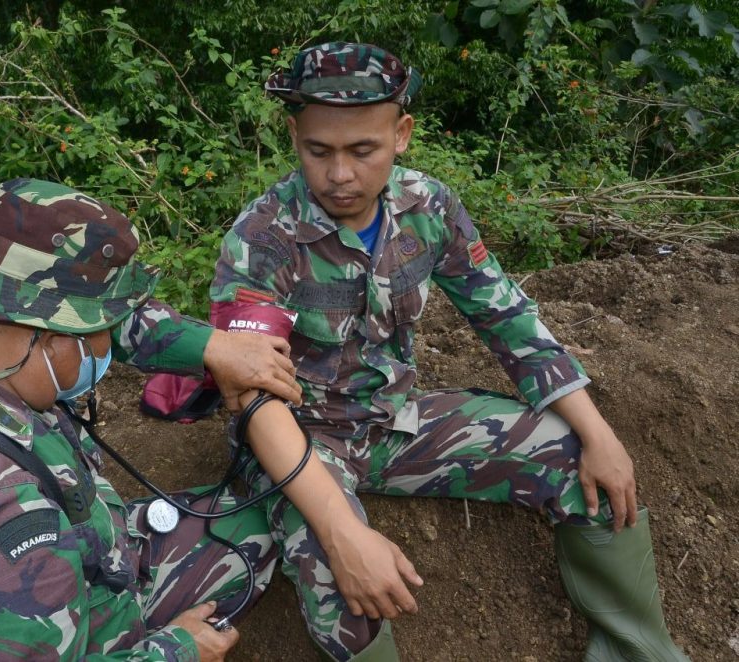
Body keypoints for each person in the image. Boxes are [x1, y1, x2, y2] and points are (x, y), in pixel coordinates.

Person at [210, 42, 688, 661]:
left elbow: (506, 317)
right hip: (295, 442)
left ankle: (638, 654)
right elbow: (253, 395)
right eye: (317, 151)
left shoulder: (428, 209)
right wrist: (344, 531)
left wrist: (598, 432)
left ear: (401, 134)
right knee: (347, 583)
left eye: (363, 150)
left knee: (579, 464)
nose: (340, 175)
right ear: (294, 135)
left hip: (394, 423)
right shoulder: (262, 237)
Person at [0, 178, 302, 660]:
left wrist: (213, 348)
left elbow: (117, 324)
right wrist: (178, 651)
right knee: (252, 537)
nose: (109, 346)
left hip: (66, 563)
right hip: (54, 624)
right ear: (54, 336)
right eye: (100, 332)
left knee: (245, 520)